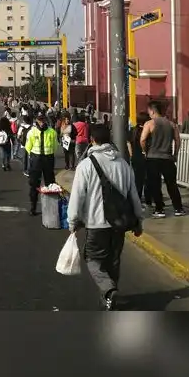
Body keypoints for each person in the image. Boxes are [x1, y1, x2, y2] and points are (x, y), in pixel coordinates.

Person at [67, 123, 145, 311]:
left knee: (93, 259)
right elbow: (134, 195)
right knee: (114, 259)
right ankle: (109, 296)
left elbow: (77, 196)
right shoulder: (123, 164)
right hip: (119, 223)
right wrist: (138, 221)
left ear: (92, 140)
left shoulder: (85, 165)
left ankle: (108, 290)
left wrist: (73, 220)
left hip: (96, 223)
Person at [139, 101, 185, 218]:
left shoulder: (149, 123)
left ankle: (159, 210)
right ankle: (178, 208)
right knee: (172, 184)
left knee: (155, 184)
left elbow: (142, 140)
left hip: (153, 158)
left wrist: (145, 151)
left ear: (152, 111)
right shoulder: (171, 124)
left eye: (149, 111)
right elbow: (178, 141)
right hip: (168, 158)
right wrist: (175, 154)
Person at [24, 111, 57, 216]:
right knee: (34, 185)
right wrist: (34, 158)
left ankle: (50, 209)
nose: (41, 122)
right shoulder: (31, 132)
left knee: (50, 185)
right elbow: (28, 147)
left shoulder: (52, 132)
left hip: (48, 160)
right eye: (39, 119)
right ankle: (33, 207)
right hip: (36, 160)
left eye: (43, 119)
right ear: (36, 120)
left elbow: (55, 147)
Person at [126, 113, 152, 209]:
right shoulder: (147, 131)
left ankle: (137, 200)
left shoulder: (133, 130)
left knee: (137, 180)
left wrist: (131, 154)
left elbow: (128, 142)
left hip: (135, 157)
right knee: (148, 179)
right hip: (146, 156)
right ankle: (148, 200)